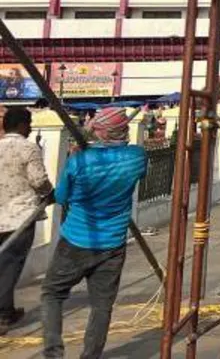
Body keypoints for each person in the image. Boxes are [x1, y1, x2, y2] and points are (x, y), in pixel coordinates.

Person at [40, 107, 147, 359]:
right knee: (102, 306)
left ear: (100, 132)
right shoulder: (137, 157)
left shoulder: (80, 161)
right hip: (113, 244)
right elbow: (135, 173)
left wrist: (76, 158)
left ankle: (53, 353)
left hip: (76, 241)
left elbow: (62, 196)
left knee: (52, 293)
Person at [0, 107, 52, 331]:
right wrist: (50, 193)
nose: (30, 128)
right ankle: (3, 313)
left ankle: (7, 309)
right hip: (19, 217)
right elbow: (39, 180)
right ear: (21, 125)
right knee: (11, 264)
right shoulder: (28, 148)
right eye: (29, 123)